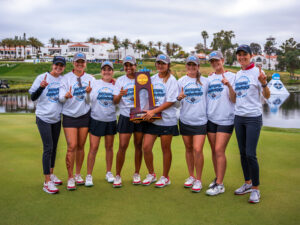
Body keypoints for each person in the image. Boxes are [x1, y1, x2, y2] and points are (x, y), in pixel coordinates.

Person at [233, 45, 270, 203]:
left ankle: (256, 189)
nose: (242, 57)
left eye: (244, 54)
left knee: (250, 154)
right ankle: (247, 183)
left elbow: (267, 96)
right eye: (239, 55)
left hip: (253, 117)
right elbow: (236, 96)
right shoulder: (238, 74)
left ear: (251, 55)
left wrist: (264, 83)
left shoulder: (258, 72)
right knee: (242, 153)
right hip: (239, 117)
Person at [29, 56, 66, 194]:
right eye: (56, 65)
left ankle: (51, 174)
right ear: (52, 65)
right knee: (48, 148)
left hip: (56, 118)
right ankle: (46, 182)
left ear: (64, 67)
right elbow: (33, 97)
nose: (58, 67)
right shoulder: (42, 77)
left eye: (61, 66)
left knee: (54, 148)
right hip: (43, 117)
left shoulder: (63, 79)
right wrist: (41, 87)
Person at [141, 54, 179, 188]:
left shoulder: (172, 80)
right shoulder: (151, 79)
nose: (160, 65)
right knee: (146, 147)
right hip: (153, 119)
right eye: (158, 63)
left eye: (163, 63)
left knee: (165, 149)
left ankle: (165, 177)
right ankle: (151, 174)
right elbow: (146, 98)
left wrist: (154, 111)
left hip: (167, 120)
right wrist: (145, 112)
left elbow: (170, 101)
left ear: (168, 65)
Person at [59, 52, 95, 190]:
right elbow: (60, 98)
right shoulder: (66, 78)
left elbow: (89, 100)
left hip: (84, 115)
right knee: (72, 146)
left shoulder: (90, 78)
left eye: (82, 62)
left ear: (85, 63)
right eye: (77, 62)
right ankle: (70, 177)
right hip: (69, 115)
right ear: (73, 63)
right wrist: (66, 96)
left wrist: (87, 93)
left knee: (81, 146)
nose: (80, 64)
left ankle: (78, 174)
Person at [205, 51, 236, 196]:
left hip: (226, 119)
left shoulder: (232, 76)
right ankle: (217, 178)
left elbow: (235, 99)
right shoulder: (209, 78)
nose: (214, 63)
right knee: (213, 151)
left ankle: (220, 184)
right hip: (211, 119)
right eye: (212, 61)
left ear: (222, 60)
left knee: (219, 150)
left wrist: (229, 85)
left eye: (217, 60)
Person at [177, 55, 208, 192]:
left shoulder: (205, 82)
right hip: (185, 120)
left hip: (200, 121)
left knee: (197, 149)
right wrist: (179, 98)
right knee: (189, 149)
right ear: (186, 66)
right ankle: (191, 176)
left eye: (194, 65)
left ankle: (199, 179)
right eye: (189, 65)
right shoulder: (181, 81)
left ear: (198, 66)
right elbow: (176, 103)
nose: (191, 67)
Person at [112, 55, 144, 188]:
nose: (129, 68)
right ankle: (118, 175)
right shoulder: (120, 80)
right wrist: (120, 95)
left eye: (131, 65)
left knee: (138, 145)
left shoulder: (143, 78)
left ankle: (136, 174)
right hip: (125, 116)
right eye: (126, 65)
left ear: (136, 66)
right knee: (122, 146)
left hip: (140, 117)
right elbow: (115, 101)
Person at [85, 61, 117, 186]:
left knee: (109, 148)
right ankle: (89, 175)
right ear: (101, 71)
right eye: (104, 69)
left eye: (109, 69)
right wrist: (87, 93)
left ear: (112, 71)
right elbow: (88, 101)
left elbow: (118, 102)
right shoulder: (95, 83)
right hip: (96, 119)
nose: (107, 72)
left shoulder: (116, 85)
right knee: (93, 148)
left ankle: (109, 172)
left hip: (110, 120)